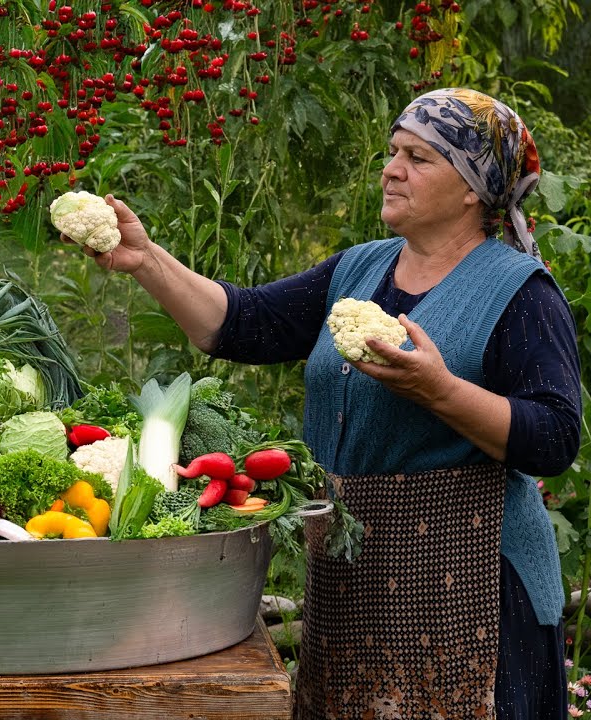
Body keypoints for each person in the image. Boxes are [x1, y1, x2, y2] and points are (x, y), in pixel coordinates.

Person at [79, 89, 582, 718]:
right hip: (352, 579)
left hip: (474, 590)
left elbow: (555, 436)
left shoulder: (520, 293)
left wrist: (441, 390)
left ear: (472, 191)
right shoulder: (360, 270)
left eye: (419, 158)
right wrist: (145, 258)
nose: (392, 169)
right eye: (393, 151)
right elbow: (242, 323)